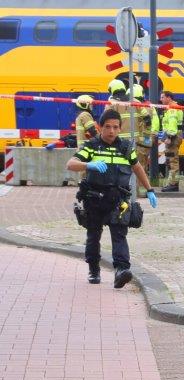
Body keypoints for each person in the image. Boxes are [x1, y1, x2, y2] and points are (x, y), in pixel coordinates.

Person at [64, 108, 158, 287]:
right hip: (94, 198)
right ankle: (94, 269)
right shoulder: (92, 146)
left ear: (120, 128)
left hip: (117, 199)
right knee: (93, 235)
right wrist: (88, 164)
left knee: (119, 234)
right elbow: (71, 164)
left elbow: (137, 167)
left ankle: (121, 270)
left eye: (115, 127)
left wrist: (150, 189)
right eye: (107, 127)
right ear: (100, 127)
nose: (112, 131)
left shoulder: (125, 148)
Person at [130, 85, 159, 182]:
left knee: (138, 167)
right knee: (143, 165)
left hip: (139, 142)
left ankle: (140, 191)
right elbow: (155, 123)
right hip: (147, 141)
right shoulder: (150, 107)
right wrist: (151, 137)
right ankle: (142, 190)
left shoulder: (137, 107)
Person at [158, 90, 183, 192]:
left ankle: (173, 184)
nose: (161, 99)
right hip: (174, 136)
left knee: (173, 161)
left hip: (173, 137)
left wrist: (169, 137)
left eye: (163, 97)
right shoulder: (171, 108)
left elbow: (172, 125)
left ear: (169, 98)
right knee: (171, 160)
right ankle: (173, 183)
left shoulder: (172, 109)